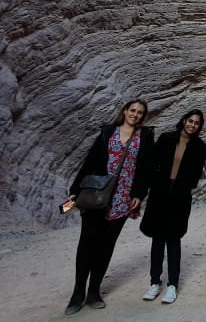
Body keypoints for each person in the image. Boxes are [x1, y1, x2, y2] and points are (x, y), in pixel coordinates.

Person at [65, 99, 153, 315]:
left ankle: (94, 291)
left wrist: (139, 194)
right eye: (132, 110)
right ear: (125, 111)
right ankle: (77, 293)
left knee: (106, 246)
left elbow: (145, 169)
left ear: (143, 116)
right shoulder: (108, 132)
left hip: (122, 199)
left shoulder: (145, 137)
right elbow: (90, 161)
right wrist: (75, 190)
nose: (135, 114)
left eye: (140, 112)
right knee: (86, 244)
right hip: (97, 196)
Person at [140, 109, 206, 305]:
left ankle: (172, 285)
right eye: (190, 121)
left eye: (196, 123)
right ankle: (154, 282)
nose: (192, 125)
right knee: (158, 239)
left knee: (174, 239)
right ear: (184, 120)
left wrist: (182, 185)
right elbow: (152, 161)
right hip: (159, 194)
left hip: (180, 196)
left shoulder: (199, 146)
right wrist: (155, 182)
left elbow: (196, 174)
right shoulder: (166, 138)